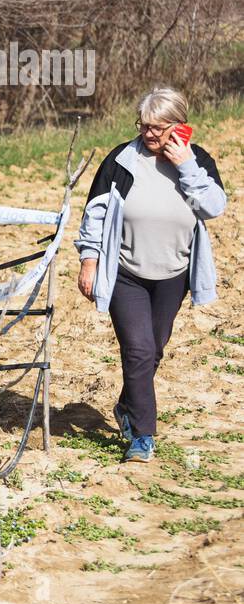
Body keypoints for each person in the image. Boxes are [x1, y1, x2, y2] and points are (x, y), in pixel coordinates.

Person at [75, 87, 226, 463]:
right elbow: (95, 212)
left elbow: (212, 208)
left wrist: (186, 164)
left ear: (179, 126)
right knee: (138, 350)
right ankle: (142, 436)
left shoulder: (198, 160)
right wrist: (89, 261)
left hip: (174, 273)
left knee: (153, 349)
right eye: (144, 127)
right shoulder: (121, 160)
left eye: (158, 128)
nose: (149, 135)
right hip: (126, 271)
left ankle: (128, 405)